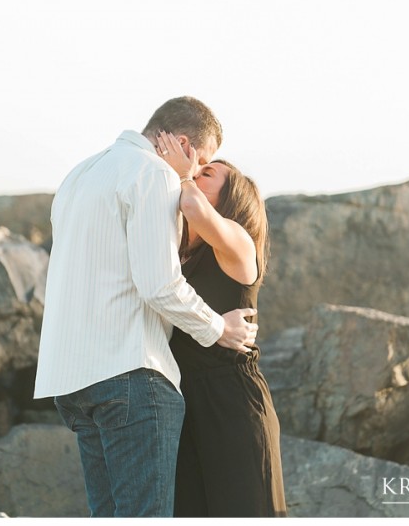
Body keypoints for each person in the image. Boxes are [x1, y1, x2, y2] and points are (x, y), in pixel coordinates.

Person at [33, 97, 259, 518]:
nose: (195, 171)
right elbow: (159, 285)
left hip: (70, 381)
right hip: (130, 374)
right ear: (185, 145)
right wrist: (216, 328)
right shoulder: (154, 174)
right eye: (201, 161)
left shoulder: (79, 175)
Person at [155, 131, 287, 517]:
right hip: (186, 404)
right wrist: (214, 323)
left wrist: (179, 172)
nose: (194, 173)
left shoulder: (240, 245)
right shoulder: (178, 259)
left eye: (206, 173)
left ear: (230, 201)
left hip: (232, 404)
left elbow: (195, 209)